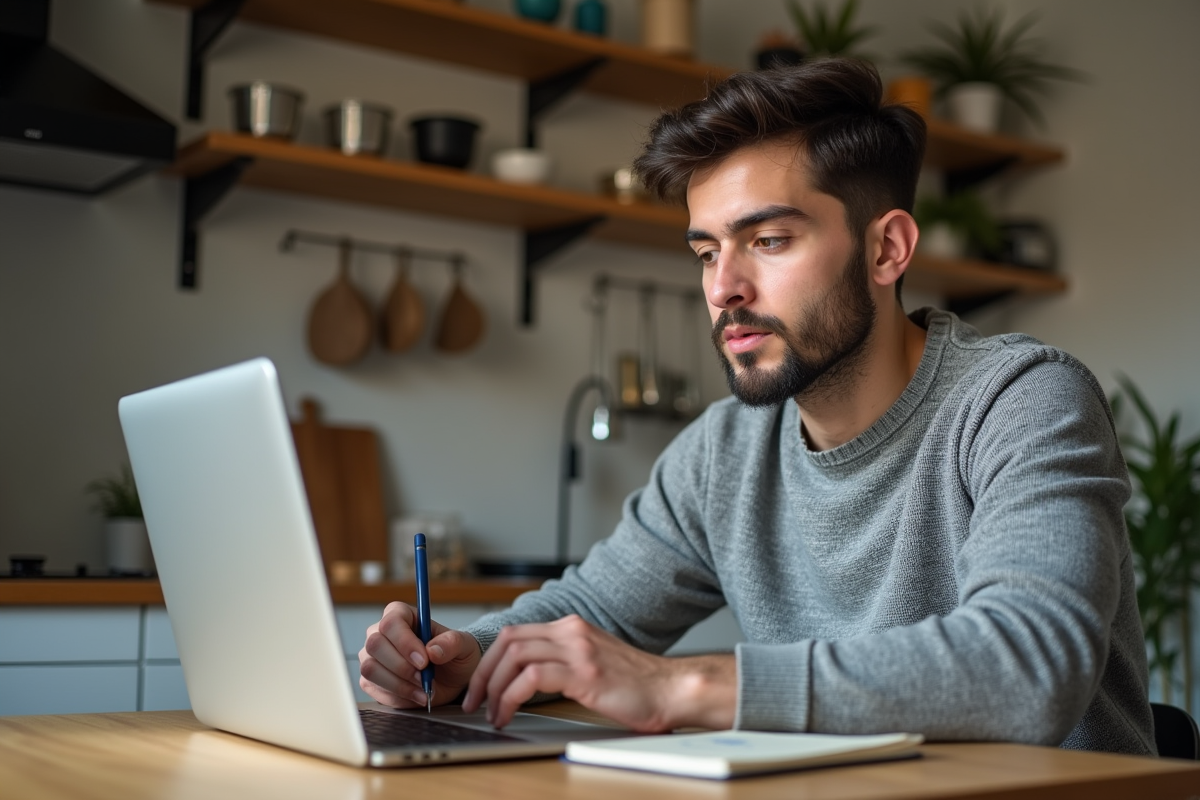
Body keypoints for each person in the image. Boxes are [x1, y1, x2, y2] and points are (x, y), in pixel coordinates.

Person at [359, 58, 1154, 754]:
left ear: (887, 249)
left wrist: (682, 688)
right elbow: (593, 608)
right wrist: (471, 653)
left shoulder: (1022, 400)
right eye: (707, 250)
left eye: (768, 240)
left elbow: (1031, 666)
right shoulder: (726, 450)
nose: (722, 288)